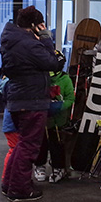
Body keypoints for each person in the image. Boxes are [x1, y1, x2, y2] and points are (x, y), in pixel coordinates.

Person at [0, 6, 61, 201]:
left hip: (19, 99)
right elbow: (52, 63)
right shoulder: (29, 44)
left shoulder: (12, 41)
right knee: (28, 146)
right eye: (41, 25)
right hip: (32, 100)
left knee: (21, 144)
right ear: (34, 25)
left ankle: (9, 183)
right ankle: (19, 189)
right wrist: (46, 39)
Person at [33, 50, 75, 184]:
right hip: (42, 120)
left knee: (57, 145)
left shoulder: (65, 79)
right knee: (41, 144)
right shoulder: (40, 78)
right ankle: (39, 166)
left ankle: (59, 168)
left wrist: (61, 106)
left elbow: (70, 98)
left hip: (58, 121)